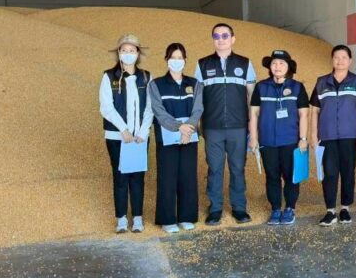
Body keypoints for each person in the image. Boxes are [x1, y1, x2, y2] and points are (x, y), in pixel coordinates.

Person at [194, 22, 257, 226]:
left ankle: (239, 208)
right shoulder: (202, 65)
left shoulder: (245, 63)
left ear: (232, 39)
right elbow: (197, 99)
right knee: (215, 169)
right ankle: (215, 209)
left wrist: (253, 125)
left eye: (225, 35)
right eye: (216, 36)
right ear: (213, 39)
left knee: (238, 168)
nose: (220, 39)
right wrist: (197, 124)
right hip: (212, 127)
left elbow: (252, 97)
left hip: (239, 126)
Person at [309, 45, 356, 226]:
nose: (340, 61)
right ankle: (330, 211)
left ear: (350, 60)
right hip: (327, 136)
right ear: (332, 59)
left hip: (350, 136)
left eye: (344, 57)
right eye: (336, 57)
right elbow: (315, 111)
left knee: (348, 172)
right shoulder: (321, 82)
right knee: (329, 173)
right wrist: (313, 135)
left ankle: (345, 208)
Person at [99, 34, 153, 234]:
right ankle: (121, 218)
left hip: (140, 137)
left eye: (132, 50)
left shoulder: (146, 77)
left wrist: (142, 131)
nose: (128, 54)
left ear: (138, 54)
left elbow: (150, 107)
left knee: (137, 177)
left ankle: (137, 217)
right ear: (119, 53)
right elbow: (106, 107)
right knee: (120, 176)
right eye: (124, 50)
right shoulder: (108, 77)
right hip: (117, 137)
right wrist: (123, 129)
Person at [249, 50, 309, 227]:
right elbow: (254, 114)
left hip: (290, 141)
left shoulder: (297, 87)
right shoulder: (261, 87)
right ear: (270, 67)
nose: (277, 66)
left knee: (291, 176)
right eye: (274, 63)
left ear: (288, 67)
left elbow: (304, 115)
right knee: (272, 176)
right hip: (267, 141)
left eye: (282, 63)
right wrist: (253, 138)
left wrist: (303, 138)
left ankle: (290, 208)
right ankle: (275, 209)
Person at [147, 42, 203, 234]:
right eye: (173, 57)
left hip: (189, 137)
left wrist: (188, 129)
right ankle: (168, 219)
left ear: (185, 60)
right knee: (167, 177)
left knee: (188, 176)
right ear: (166, 60)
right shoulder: (156, 84)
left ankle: (186, 217)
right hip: (167, 138)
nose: (176, 61)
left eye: (180, 58)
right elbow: (158, 111)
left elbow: (198, 108)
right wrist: (180, 127)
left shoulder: (194, 84)